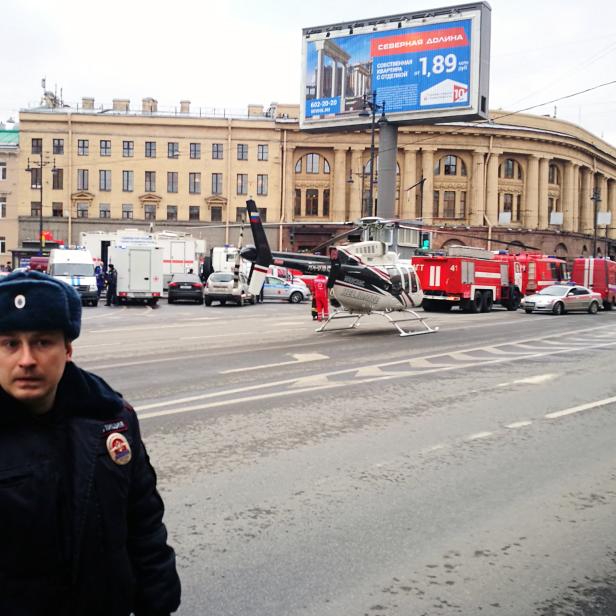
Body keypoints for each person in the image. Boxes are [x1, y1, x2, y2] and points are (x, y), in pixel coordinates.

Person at [0, 270, 181, 615]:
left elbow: (143, 523)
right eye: (10, 343)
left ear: (67, 349)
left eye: (42, 342)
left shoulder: (111, 418)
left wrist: (157, 601)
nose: (26, 359)